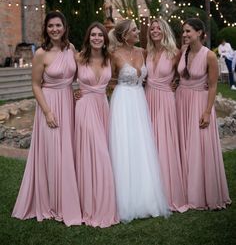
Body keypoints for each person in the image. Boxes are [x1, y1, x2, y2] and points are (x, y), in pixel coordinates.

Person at [12, 11, 82, 226]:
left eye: (58, 25)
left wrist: (80, 91)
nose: (54, 29)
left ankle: (69, 197)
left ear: (64, 27)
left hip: (69, 103)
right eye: (50, 26)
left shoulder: (71, 49)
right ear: (46, 28)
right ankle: (52, 200)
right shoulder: (41, 53)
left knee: (68, 151)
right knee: (52, 153)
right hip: (50, 105)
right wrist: (47, 111)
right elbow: (35, 85)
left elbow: (84, 70)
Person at [108, 19, 170, 223]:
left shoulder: (143, 52)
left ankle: (146, 197)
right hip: (122, 101)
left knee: (141, 146)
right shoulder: (114, 54)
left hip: (139, 102)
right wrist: (84, 92)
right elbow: (107, 81)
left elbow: (166, 63)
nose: (138, 31)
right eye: (134, 29)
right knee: (124, 146)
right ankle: (124, 199)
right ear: (125, 35)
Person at [176, 18, 231, 210]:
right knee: (184, 144)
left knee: (200, 145)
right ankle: (185, 188)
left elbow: (213, 85)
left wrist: (207, 112)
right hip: (181, 101)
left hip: (199, 102)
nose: (184, 35)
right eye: (183, 31)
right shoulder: (183, 51)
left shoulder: (209, 56)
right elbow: (179, 76)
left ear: (199, 33)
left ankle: (203, 192)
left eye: (188, 31)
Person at [74, 22, 119, 228]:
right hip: (85, 107)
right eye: (93, 35)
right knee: (96, 153)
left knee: (103, 152)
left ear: (104, 38)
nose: (96, 38)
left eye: (100, 35)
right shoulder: (79, 58)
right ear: (88, 37)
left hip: (103, 107)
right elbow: (64, 79)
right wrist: (71, 94)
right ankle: (92, 204)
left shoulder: (110, 58)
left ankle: (102, 200)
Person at [145, 18, 188, 213]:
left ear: (165, 31)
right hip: (147, 99)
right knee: (150, 142)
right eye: (152, 28)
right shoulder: (147, 52)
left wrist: (179, 83)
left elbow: (186, 72)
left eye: (158, 28)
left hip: (165, 100)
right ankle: (149, 189)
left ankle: (169, 191)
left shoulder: (175, 53)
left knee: (165, 142)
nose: (155, 31)